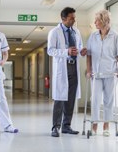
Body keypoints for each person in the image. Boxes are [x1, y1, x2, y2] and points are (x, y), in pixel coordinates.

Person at [47, 7, 88, 137]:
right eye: (72, 18)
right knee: (60, 98)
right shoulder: (54, 32)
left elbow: (79, 46)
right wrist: (66, 52)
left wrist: (81, 52)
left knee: (70, 98)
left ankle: (66, 126)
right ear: (64, 19)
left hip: (74, 66)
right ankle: (55, 127)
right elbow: (50, 50)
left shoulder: (76, 31)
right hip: (62, 67)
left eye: (74, 17)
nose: (74, 20)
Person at [86, 10, 118, 137]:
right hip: (96, 74)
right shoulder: (93, 36)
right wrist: (89, 71)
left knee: (108, 100)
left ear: (104, 21)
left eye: (97, 20)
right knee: (94, 99)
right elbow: (88, 54)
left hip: (110, 73)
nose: (94, 22)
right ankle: (94, 126)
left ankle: (106, 127)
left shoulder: (115, 36)